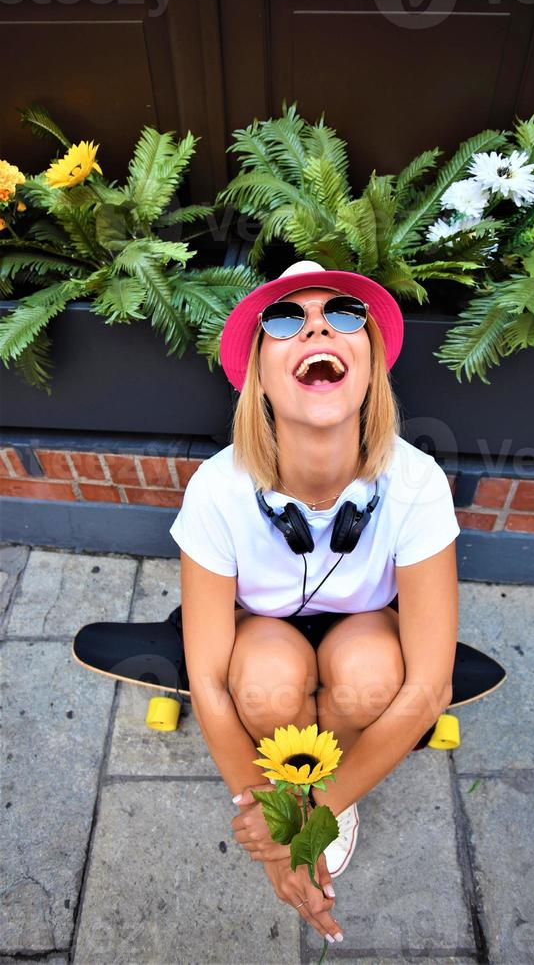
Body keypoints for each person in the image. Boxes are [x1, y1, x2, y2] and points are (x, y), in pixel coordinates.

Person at [168, 260, 460, 945]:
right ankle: (290, 778)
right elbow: (207, 682)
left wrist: (317, 816)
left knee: (370, 681)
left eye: (344, 314)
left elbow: (429, 687)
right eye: (283, 318)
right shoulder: (217, 490)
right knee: (265, 688)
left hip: (366, 625)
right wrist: (273, 821)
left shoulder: (416, 483)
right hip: (262, 628)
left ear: (370, 364)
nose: (318, 324)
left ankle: (333, 782)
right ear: (259, 376)